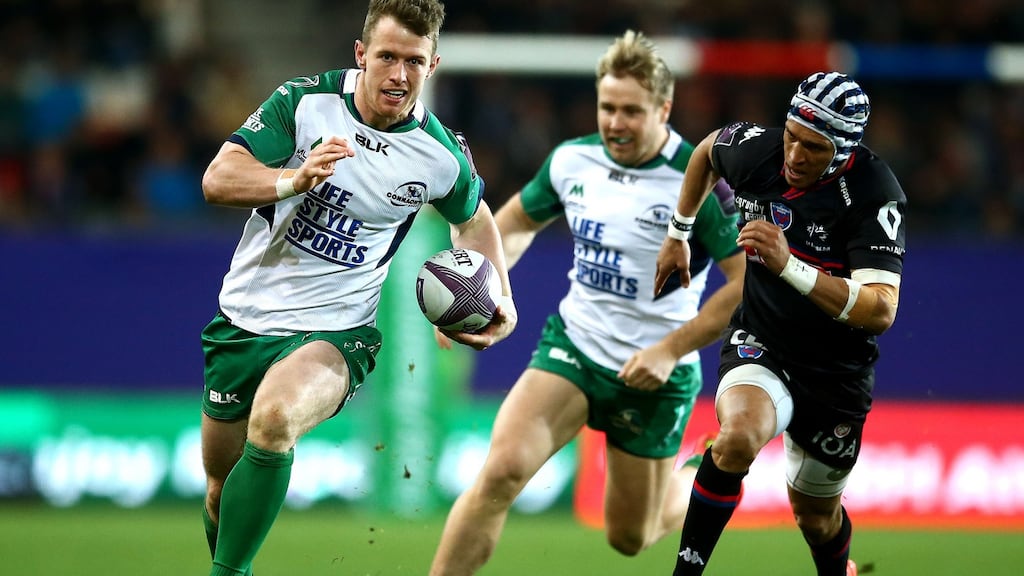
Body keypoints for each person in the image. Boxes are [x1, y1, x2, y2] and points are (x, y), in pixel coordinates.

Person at [197, 1, 517, 575]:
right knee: (221, 490)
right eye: (387, 57)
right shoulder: (305, 103)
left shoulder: (440, 153)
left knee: (274, 421)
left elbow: (473, 219)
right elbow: (218, 179)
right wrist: (293, 178)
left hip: (339, 330)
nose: (399, 74)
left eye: (414, 62)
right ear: (361, 54)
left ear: (433, 64)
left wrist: (501, 298)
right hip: (244, 319)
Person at [430, 30, 745, 576]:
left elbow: (745, 287)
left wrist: (670, 350)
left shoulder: (698, 183)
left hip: (654, 374)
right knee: (500, 473)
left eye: (630, 110)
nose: (615, 123)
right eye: (607, 107)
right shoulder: (572, 160)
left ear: (664, 109)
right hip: (573, 349)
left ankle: (707, 471)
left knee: (630, 537)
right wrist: (485, 291)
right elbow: (516, 223)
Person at [655, 71, 907, 576]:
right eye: (791, 135)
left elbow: (881, 309)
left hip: (836, 374)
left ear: (842, 152)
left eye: (812, 147)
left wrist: (788, 264)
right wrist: (679, 232)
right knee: (737, 437)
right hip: (762, 340)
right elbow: (706, 150)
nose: (793, 155)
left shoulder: (874, 194)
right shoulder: (758, 152)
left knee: (815, 516)